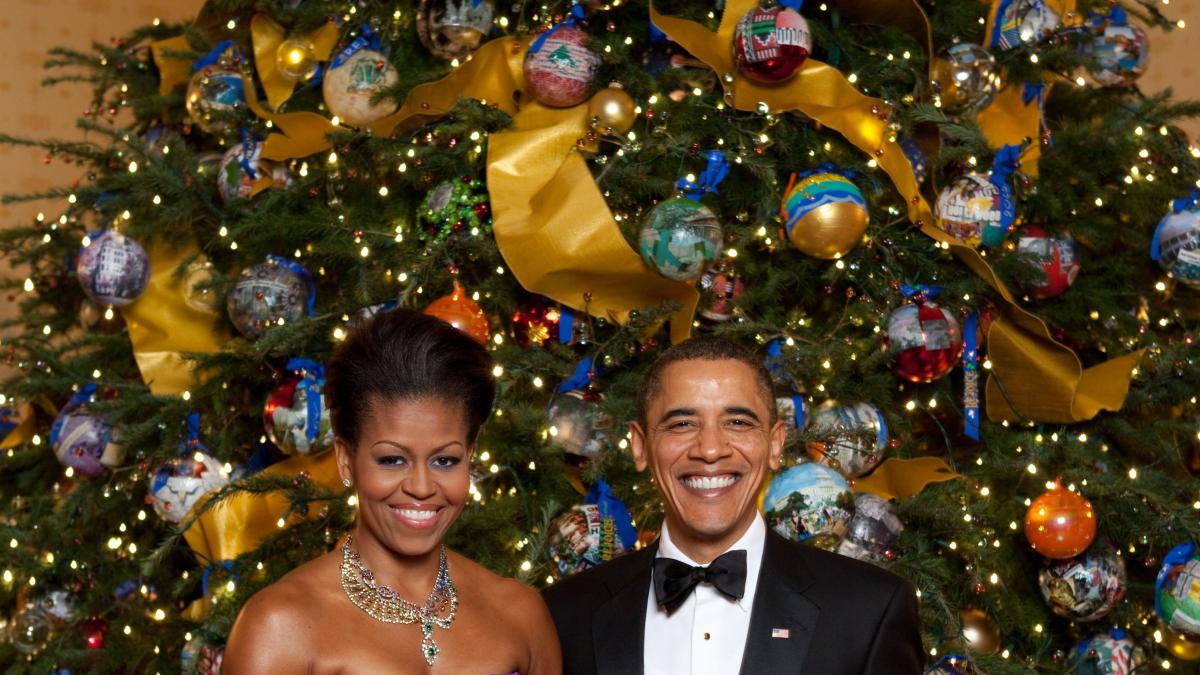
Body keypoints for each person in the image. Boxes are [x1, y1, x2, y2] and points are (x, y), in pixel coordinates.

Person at [543, 335, 923, 675]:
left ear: (775, 444)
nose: (710, 449)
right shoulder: (566, 615)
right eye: (681, 424)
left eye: (739, 423)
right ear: (640, 446)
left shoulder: (869, 610)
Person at [224, 309, 561, 674]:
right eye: (392, 460)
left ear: (470, 458)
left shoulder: (521, 614)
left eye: (445, 461)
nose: (421, 487)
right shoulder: (279, 626)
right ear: (346, 461)